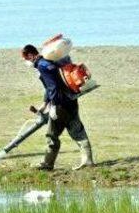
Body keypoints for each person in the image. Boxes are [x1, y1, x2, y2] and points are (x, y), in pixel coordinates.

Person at [21, 43, 94, 171]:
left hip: (60, 105)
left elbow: (53, 87)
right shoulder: (49, 62)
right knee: (77, 130)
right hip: (71, 100)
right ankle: (88, 160)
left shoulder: (42, 66)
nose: (26, 62)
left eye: (26, 59)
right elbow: (49, 87)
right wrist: (44, 105)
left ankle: (48, 163)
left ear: (31, 55)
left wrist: (53, 106)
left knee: (52, 135)